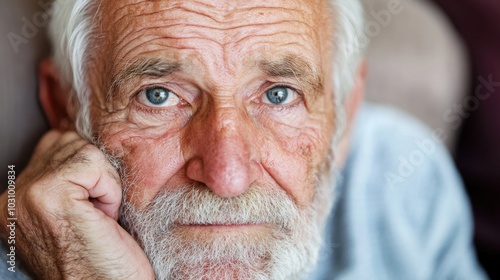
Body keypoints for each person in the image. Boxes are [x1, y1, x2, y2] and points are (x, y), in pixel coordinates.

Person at [0, 0, 488, 279]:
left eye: (279, 94)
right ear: (66, 106)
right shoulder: (26, 244)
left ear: (345, 114)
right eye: (158, 95)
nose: (227, 176)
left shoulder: (404, 180)